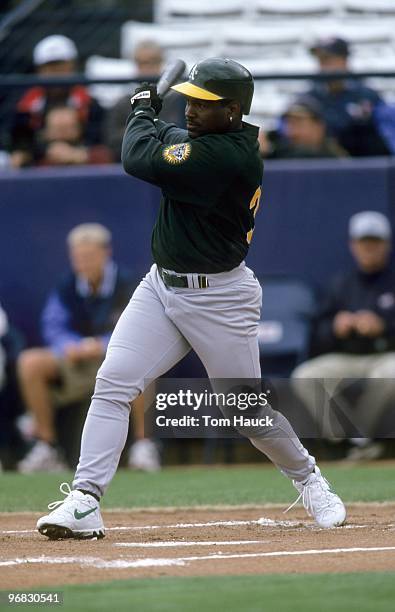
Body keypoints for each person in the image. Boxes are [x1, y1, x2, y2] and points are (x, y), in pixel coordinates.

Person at [36, 57, 346, 540]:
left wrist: (142, 110)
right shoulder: (202, 141)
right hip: (161, 287)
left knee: (245, 411)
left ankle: (309, 478)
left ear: (233, 111)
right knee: (114, 381)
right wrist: (156, 124)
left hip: (221, 298)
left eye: (205, 104)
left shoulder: (229, 156)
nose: (192, 109)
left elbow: (138, 157)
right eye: (191, 100)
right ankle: (84, 500)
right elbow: (165, 146)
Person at [17, 224, 135, 473]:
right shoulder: (66, 286)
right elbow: (53, 325)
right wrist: (69, 346)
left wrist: (101, 345)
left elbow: (138, 328)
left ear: (106, 253)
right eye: (78, 257)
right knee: (30, 363)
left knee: (144, 365)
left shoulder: (128, 284)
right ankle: (48, 447)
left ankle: (144, 448)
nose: (83, 263)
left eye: (89, 257)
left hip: (115, 359)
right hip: (75, 363)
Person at [292, 211, 395, 460]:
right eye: (364, 243)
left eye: (375, 242)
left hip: (386, 354)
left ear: (387, 245)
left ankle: (358, 439)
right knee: (305, 376)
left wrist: (384, 325)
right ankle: (346, 440)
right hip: (347, 355)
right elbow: (318, 332)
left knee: (390, 373)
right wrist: (336, 326)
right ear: (353, 246)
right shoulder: (341, 283)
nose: (369, 248)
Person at [9, 35, 104, 168]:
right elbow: (18, 141)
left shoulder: (90, 103)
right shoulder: (25, 106)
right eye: (49, 67)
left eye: (60, 67)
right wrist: (39, 151)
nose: (55, 73)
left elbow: (99, 139)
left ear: (72, 67)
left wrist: (78, 153)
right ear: (39, 71)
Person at [307, 37, 390, 157]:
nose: (323, 67)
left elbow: (387, 135)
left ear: (344, 61)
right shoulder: (310, 98)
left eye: (328, 60)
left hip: (362, 162)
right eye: (320, 61)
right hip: (321, 161)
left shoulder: (367, 96)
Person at [105, 40, 185, 161]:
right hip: (133, 161)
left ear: (160, 63)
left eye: (150, 63)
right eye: (140, 63)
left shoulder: (178, 99)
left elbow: (179, 134)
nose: (145, 69)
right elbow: (112, 139)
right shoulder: (124, 102)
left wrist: (137, 130)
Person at [259, 96, 347, 159]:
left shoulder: (336, 158)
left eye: (298, 123)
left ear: (318, 127)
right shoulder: (278, 153)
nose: (292, 132)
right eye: (288, 124)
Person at [36, 106, 112, 166]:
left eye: (67, 128)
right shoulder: (36, 157)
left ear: (79, 128)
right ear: (46, 131)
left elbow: (107, 160)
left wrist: (80, 156)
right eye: (57, 129)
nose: (62, 134)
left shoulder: (95, 152)